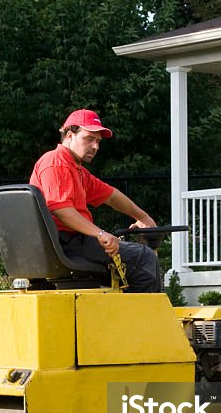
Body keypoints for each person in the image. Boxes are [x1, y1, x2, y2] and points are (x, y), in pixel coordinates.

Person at [29, 109, 161, 292]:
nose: (95, 147)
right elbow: (61, 210)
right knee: (144, 258)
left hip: (71, 242)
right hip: (65, 242)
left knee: (129, 265)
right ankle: (144, 319)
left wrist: (143, 217)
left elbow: (111, 196)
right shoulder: (56, 162)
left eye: (98, 141)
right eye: (89, 139)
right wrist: (100, 234)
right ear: (69, 135)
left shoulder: (78, 170)